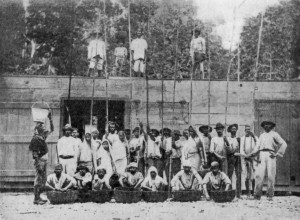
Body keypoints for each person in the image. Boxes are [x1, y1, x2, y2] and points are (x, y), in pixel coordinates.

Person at [251, 121, 287, 200]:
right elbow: (258, 146)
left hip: (271, 155)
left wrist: (277, 154)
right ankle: (257, 195)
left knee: (271, 175)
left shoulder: (275, 134)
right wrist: (253, 153)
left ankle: (270, 195)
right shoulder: (261, 135)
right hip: (261, 154)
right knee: (259, 175)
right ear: (263, 126)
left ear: (271, 126)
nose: (266, 126)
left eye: (268, 125)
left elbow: (283, 143)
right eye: (265, 125)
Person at [29, 112, 54, 205]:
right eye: (42, 127)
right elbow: (35, 153)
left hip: (43, 161)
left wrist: (50, 119)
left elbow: (52, 129)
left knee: (42, 179)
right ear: (38, 129)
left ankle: (38, 196)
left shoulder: (42, 137)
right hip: (39, 161)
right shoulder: (35, 139)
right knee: (38, 179)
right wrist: (38, 164)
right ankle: (36, 198)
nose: (44, 128)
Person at [239, 125, 258, 197]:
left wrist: (252, 154)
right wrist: (246, 156)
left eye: (249, 129)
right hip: (245, 159)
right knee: (246, 176)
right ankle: (248, 192)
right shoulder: (243, 138)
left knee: (253, 175)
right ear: (244, 130)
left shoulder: (254, 138)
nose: (248, 131)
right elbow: (241, 149)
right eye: (246, 129)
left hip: (253, 158)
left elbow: (257, 147)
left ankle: (254, 191)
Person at [226, 124, 241, 198]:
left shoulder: (238, 139)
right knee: (230, 174)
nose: (234, 130)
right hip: (231, 158)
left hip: (237, 158)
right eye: (232, 129)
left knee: (238, 174)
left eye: (235, 129)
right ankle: (230, 192)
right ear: (230, 130)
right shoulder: (228, 139)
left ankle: (238, 194)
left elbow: (240, 149)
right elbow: (228, 150)